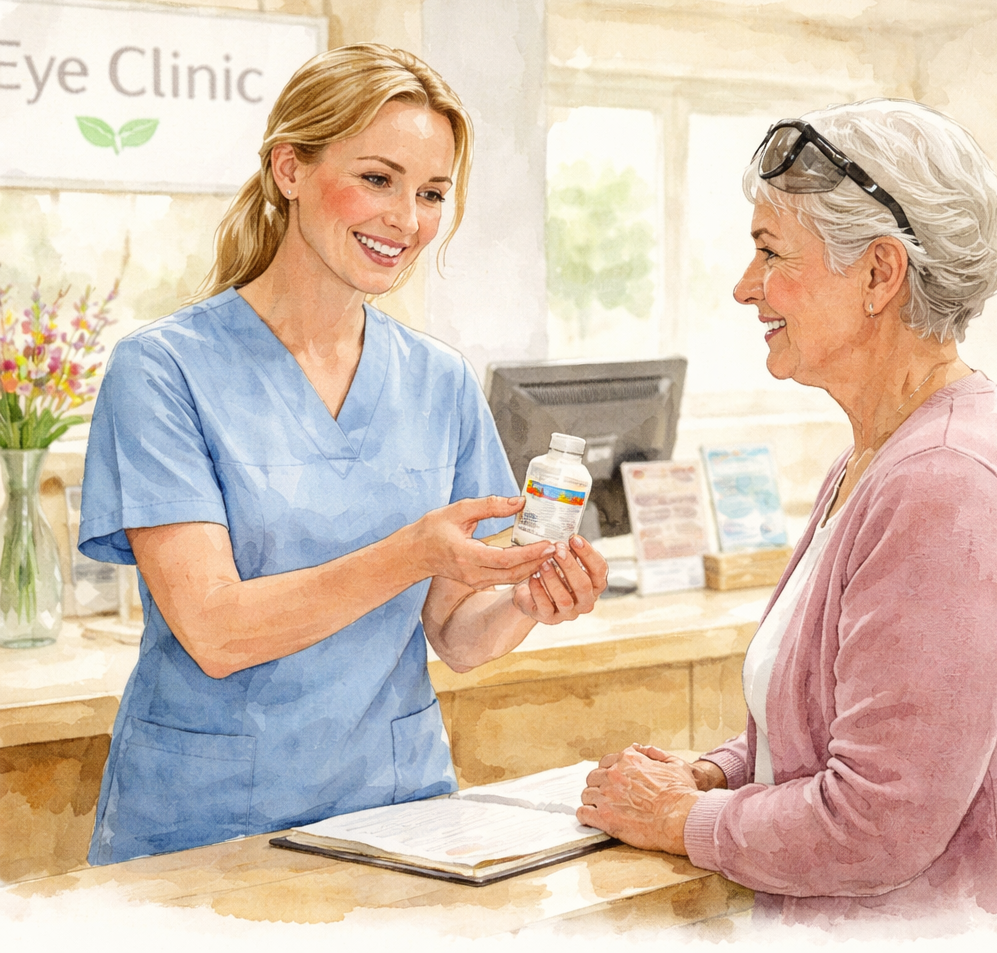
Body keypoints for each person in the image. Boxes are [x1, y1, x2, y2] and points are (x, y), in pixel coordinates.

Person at [80, 43, 608, 865]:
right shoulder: (163, 371)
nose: (407, 219)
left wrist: (529, 599)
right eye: (377, 178)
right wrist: (414, 552)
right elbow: (215, 631)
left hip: (396, 814)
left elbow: (456, 635)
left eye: (431, 193)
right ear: (290, 169)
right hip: (205, 824)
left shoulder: (439, 381)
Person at [578, 98, 997, 923]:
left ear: (880, 274)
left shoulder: (946, 482)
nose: (745, 287)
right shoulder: (875, 459)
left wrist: (680, 820)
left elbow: (878, 823)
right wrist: (712, 773)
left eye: (771, 252)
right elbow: (831, 727)